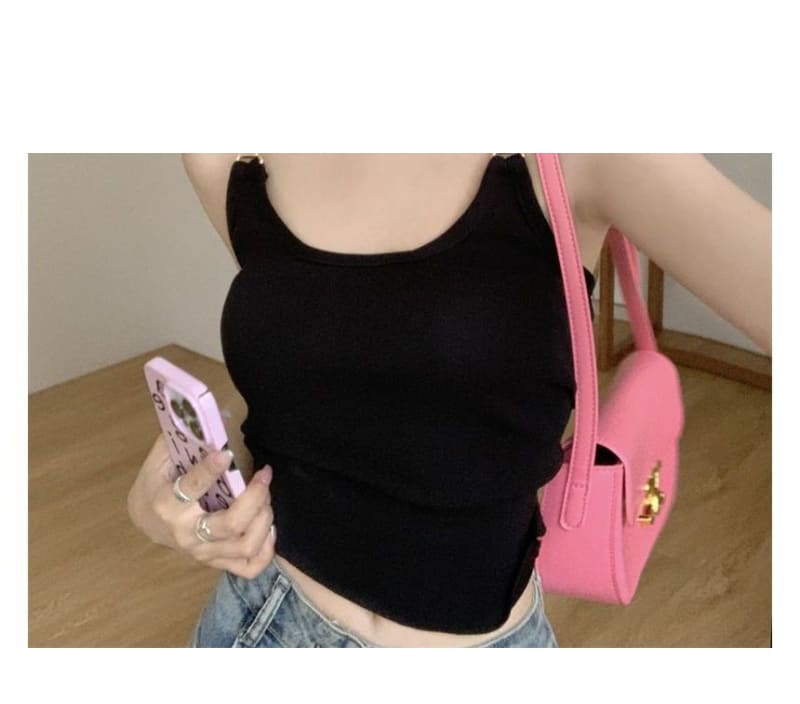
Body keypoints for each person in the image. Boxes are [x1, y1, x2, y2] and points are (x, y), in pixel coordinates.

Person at [127, 153, 771, 648]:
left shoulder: (585, 148)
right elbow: (331, 373)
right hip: (261, 625)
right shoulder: (227, 149)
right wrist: (168, 501)